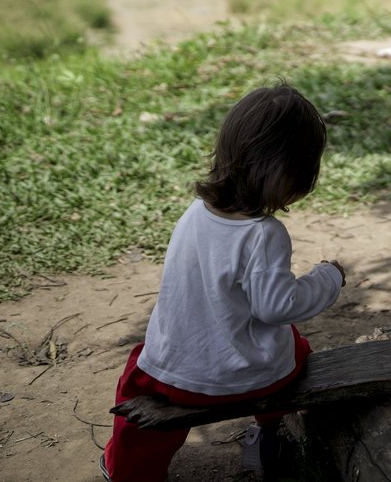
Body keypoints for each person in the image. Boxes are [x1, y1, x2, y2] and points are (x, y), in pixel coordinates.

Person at [103, 84, 345, 482]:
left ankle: (128, 471)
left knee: (135, 381)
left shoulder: (196, 211)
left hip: (174, 376)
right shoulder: (265, 234)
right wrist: (329, 277)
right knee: (294, 347)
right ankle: (266, 433)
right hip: (246, 380)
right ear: (290, 174)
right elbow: (277, 308)